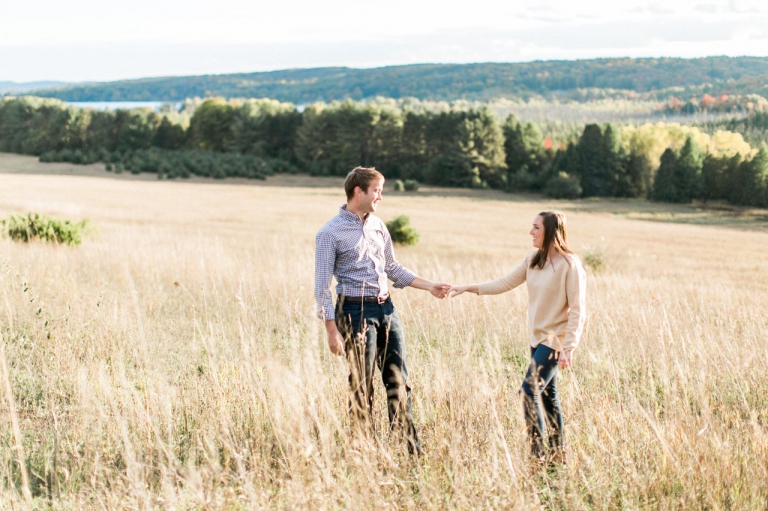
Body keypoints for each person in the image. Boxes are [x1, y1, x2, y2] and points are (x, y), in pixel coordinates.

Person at [315, 166, 449, 455]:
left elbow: (393, 268)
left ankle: (410, 448)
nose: (380, 197)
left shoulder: (378, 226)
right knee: (361, 383)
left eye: (381, 190)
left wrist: (430, 286)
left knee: (398, 378)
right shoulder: (329, 233)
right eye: (376, 190)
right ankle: (363, 448)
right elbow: (321, 288)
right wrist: (330, 330)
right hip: (353, 311)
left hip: (387, 308)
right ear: (358, 192)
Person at [448, 211, 586, 463]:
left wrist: (569, 346)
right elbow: (504, 283)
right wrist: (468, 288)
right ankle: (558, 453)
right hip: (536, 340)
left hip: (555, 341)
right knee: (548, 395)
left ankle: (538, 456)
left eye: (536, 228)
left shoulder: (570, 265)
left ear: (551, 232)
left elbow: (578, 309)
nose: (530, 232)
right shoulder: (534, 259)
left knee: (528, 392)